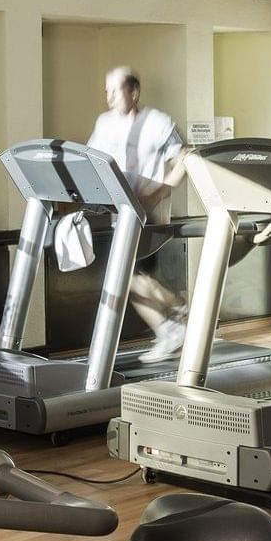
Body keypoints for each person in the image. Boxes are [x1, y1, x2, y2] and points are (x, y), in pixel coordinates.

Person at [86, 67, 192, 363]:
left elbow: (184, 158)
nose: (108, 97)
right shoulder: (104, 123)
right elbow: (93, 159)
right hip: (118, 212)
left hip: (149, 213)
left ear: (134, 92)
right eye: (105, 91)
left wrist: (159, 192)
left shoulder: (158, 122)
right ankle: (172, 321)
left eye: (115, 91)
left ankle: (176, 311)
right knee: (129, 277)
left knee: (128, 275)